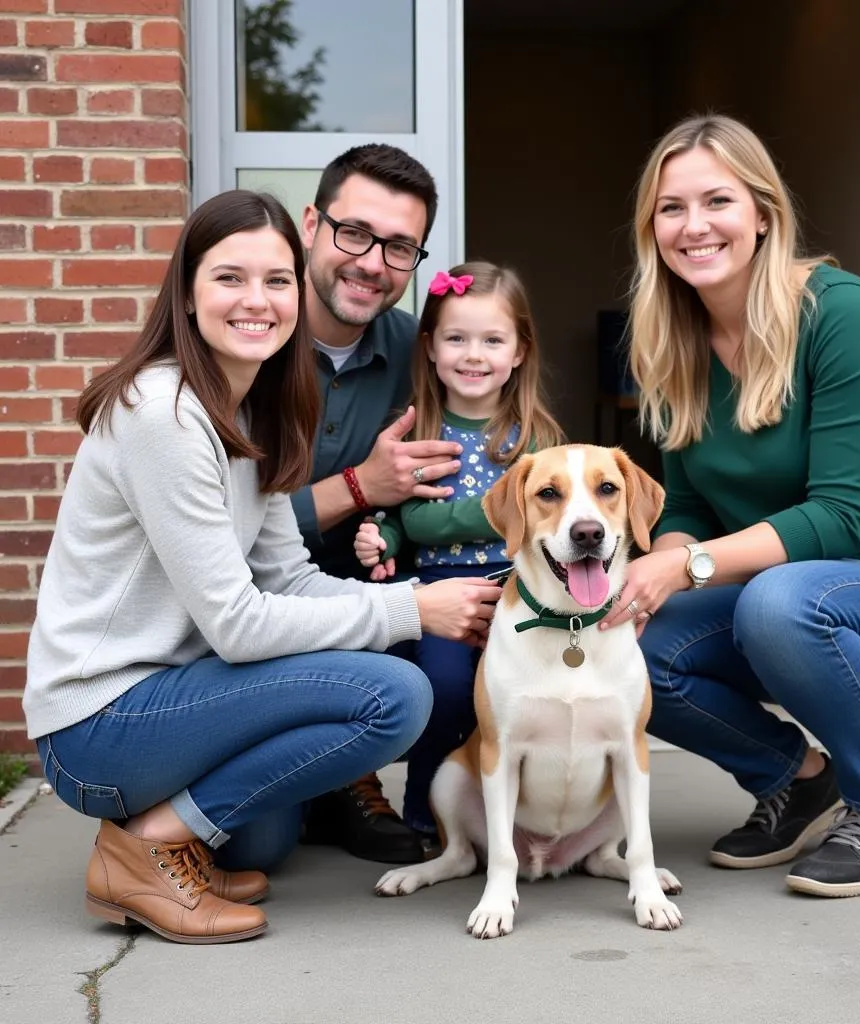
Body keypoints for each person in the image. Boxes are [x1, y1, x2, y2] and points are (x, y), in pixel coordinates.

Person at [22, 190, 502, 945]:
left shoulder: (256, 413)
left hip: (172, 698)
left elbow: (290, 580)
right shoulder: (167, 414)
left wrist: (419, 596)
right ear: (187, 292)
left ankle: (160, 832)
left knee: (263, 842)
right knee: (396, 694)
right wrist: (413, 611)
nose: (258, 301)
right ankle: (142, 849)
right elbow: (239, 625)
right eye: (230, 279)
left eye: (277, 281)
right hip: (99, 724)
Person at [600, 114, 860, 898]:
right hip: (793, 602)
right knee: (632, 643)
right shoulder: (672, 342)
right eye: (671, 208)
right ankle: (798, 778)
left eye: (716, 200)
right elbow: (685, 504)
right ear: (651, 228)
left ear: (762, 212)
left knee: (778, 601)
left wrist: (685, 565)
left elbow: (842, 520)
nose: (695, 226)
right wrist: (654, 573)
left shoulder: (840, 314)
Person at [292, 143, 466, 864]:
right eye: (354, 233)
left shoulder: (421, 353)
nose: (372, 262)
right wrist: (364, 486)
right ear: (311, 225)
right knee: (254, 846)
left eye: (399, 247)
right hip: (239, 606)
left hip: (372, 590)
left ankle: (353, 779)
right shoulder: (246, 339)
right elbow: (222, 535)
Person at [354, 262, 563, 838]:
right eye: (457, 338)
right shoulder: (419, 429)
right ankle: (428, 817)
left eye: (493, 340)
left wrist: (438, 519)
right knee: (446, 694)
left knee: (522, 701)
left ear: (519, 351)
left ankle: (526, 819)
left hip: (522, 591)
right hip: (439, 594)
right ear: (430, 347)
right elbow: (408, 516)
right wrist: (384, 538)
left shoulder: (535, 436)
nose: (474, 354)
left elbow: (562, 521)